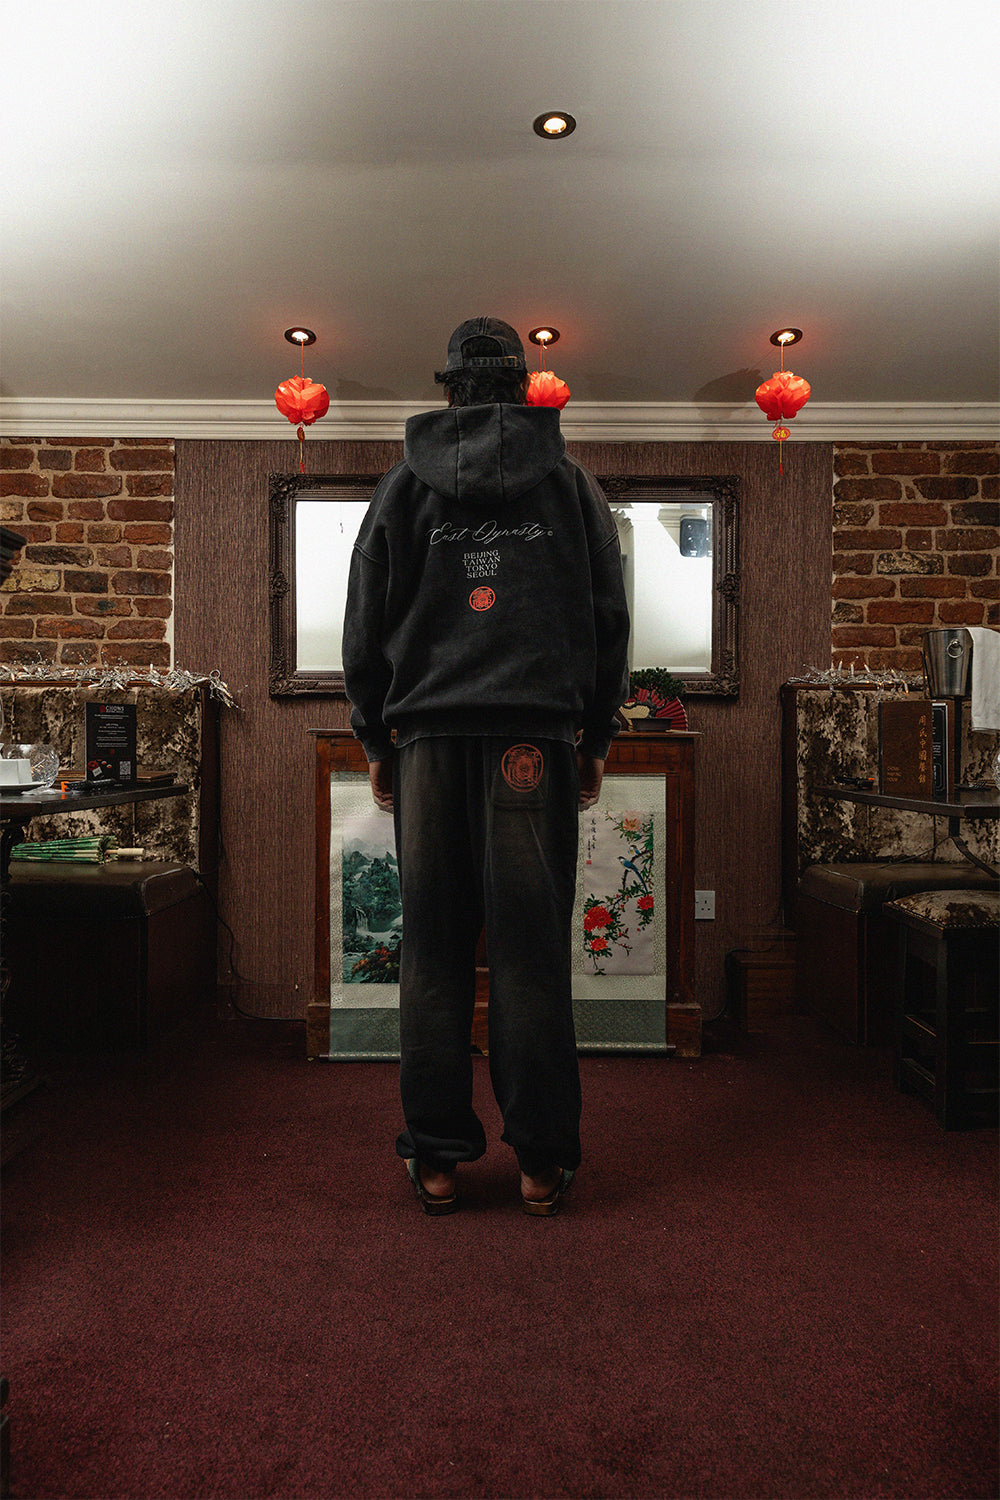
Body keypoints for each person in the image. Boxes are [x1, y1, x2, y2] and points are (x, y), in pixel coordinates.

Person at [342, 316, 630, 1216]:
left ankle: (435, 1160)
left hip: (428, 742)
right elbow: (607, 619)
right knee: (530, 954)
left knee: (432, 951)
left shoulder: (401, 488)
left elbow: (364, 622)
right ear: (522, 387)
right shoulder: (570, 484)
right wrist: (594, 735)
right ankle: (541, 1163)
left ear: (449, 389)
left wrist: (377, 739)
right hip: (532, 740)